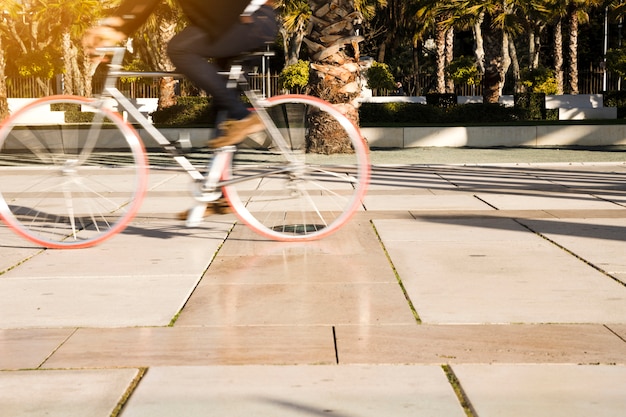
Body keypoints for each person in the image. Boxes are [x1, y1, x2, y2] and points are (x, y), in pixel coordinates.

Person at [83, 0, 278, 147]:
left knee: (179, 49)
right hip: (238, 22)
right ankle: (219, 195)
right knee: (224, 120)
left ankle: (243, 116)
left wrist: (115, 28)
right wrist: (115, 27)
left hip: (248, 22)